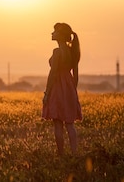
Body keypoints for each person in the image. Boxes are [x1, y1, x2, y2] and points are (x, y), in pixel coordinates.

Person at [42, 22, 82, 155]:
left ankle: (61, 155)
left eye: (55, 31)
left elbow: (52, 74)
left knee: (58, 123)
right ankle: (74, 153)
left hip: (57, 87)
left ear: (60, 35)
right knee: (70, 123)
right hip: (69, 87)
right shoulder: (73, 52)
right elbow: (76, 75)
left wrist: (47, 93)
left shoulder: (57, 52)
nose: (52, 33)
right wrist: (73, 91)